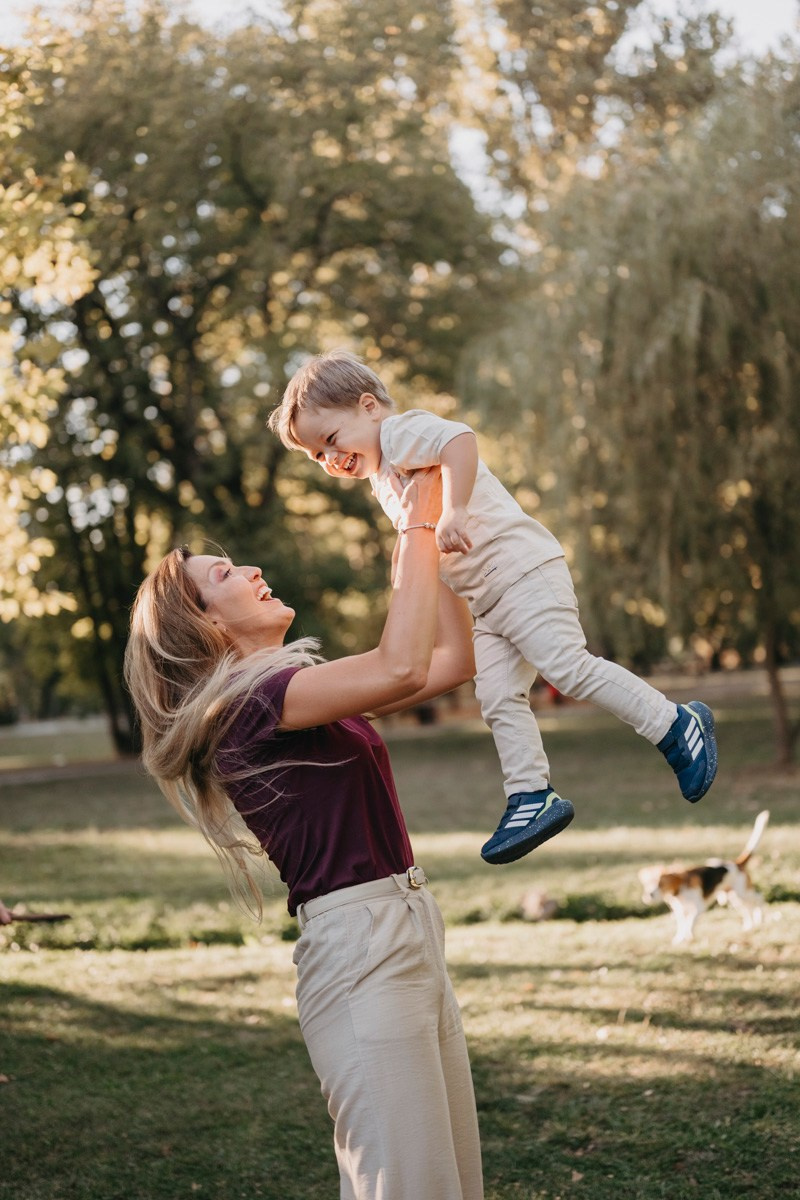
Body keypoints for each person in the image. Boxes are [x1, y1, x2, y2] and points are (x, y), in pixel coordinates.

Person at [123, 468, 484, 1200]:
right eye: (225, 573)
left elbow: (451, 663)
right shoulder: (251, 705)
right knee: (407, 1187)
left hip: (409, 928)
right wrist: (412, 525)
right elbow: (403, 661)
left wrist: (438, 554)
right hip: (360, 952)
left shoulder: (292, 691)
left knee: (448, 1182)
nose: (252, 570)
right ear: (208, 624)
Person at [268, 348, 719, 866]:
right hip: (490, 598)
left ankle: (674, 723)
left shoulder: (397, 435)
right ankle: (531, 794)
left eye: (331, 440)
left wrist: (455, 508)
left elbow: (459, 439)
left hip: (521, 571)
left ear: (369, 406)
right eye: (317, 457)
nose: (331, 459)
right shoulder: (383, 479)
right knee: (498, 694)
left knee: (566, 666)